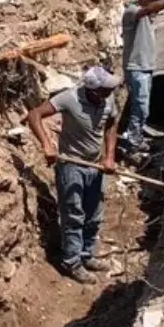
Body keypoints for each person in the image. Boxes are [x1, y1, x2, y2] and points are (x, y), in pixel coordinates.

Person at [27, 66, 120, 283]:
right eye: (106, 90)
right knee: (74, 214)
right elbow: (34, 115)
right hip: (72, 165)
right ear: (93, 90)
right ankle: (72, 262)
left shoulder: (109, 99)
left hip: (95, 165)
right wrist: (47, 145)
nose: (110, 93)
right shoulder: (69, 98)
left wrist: (109, 156)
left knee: (94, 214)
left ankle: (87, 255)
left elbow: (111, 124)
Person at [119, 0, 164, 156]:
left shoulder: (147, 15)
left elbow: (153, 10)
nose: (154, 2)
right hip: (136, 67)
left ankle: (136, 138)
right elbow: (150, 9)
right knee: (140, 107)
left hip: (146, 67)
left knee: (144, 107)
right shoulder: (132, 11)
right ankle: (130, 144)